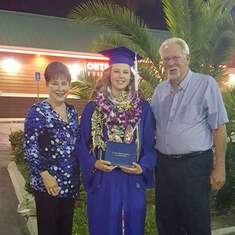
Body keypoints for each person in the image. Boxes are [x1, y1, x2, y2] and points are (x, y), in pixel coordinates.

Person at [151, 37, 228, 235]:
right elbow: (150, 126)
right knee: (166, 221)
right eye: (166, 59)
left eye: (175, 57)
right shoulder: (160, 91)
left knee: (196, 222)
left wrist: (219, 167)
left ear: (187, 58)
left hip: (194, 167)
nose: (170, 63)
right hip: (165, 167)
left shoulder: (206, 84)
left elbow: (218, 128)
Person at [78, 46, 156, 235]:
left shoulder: (143, 108)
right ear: (109, 74)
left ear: (131, 76)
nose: (121, 76)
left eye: (125, 72)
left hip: (132, 179)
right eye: (117, 71)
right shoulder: (94, 107)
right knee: (103, 224)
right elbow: (81, 143)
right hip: (104, 178)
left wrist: (143, 166)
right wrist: (93, 163)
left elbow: (150, 145)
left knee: (132, 225)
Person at [24, 61, 80, 235]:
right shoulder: (37, 112)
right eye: (55, 83)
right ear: (47, 84)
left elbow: (76, 142)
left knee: (65, 230)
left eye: (64, 83)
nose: (60, 88)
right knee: (49, 230)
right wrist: (45, 175)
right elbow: (30, 147)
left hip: (70, 183)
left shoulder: (72, 111)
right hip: (48, 185)